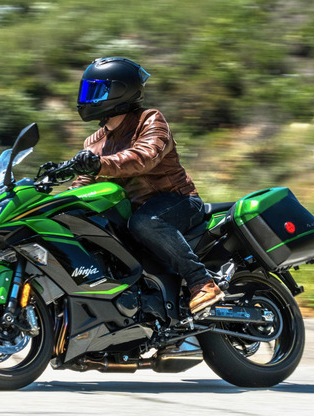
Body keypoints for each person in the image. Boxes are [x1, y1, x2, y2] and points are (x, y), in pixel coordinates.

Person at [68, 57, 223, 314]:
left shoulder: (149, 120)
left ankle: (202, 281)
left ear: (120, 91)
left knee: (145, 222)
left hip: (176, 201)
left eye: (96, 91)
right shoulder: (93, 142)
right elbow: (81, 184)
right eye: (87, 91)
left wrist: (98, 164)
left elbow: (143, 158)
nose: (87, 98)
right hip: (133, 213)